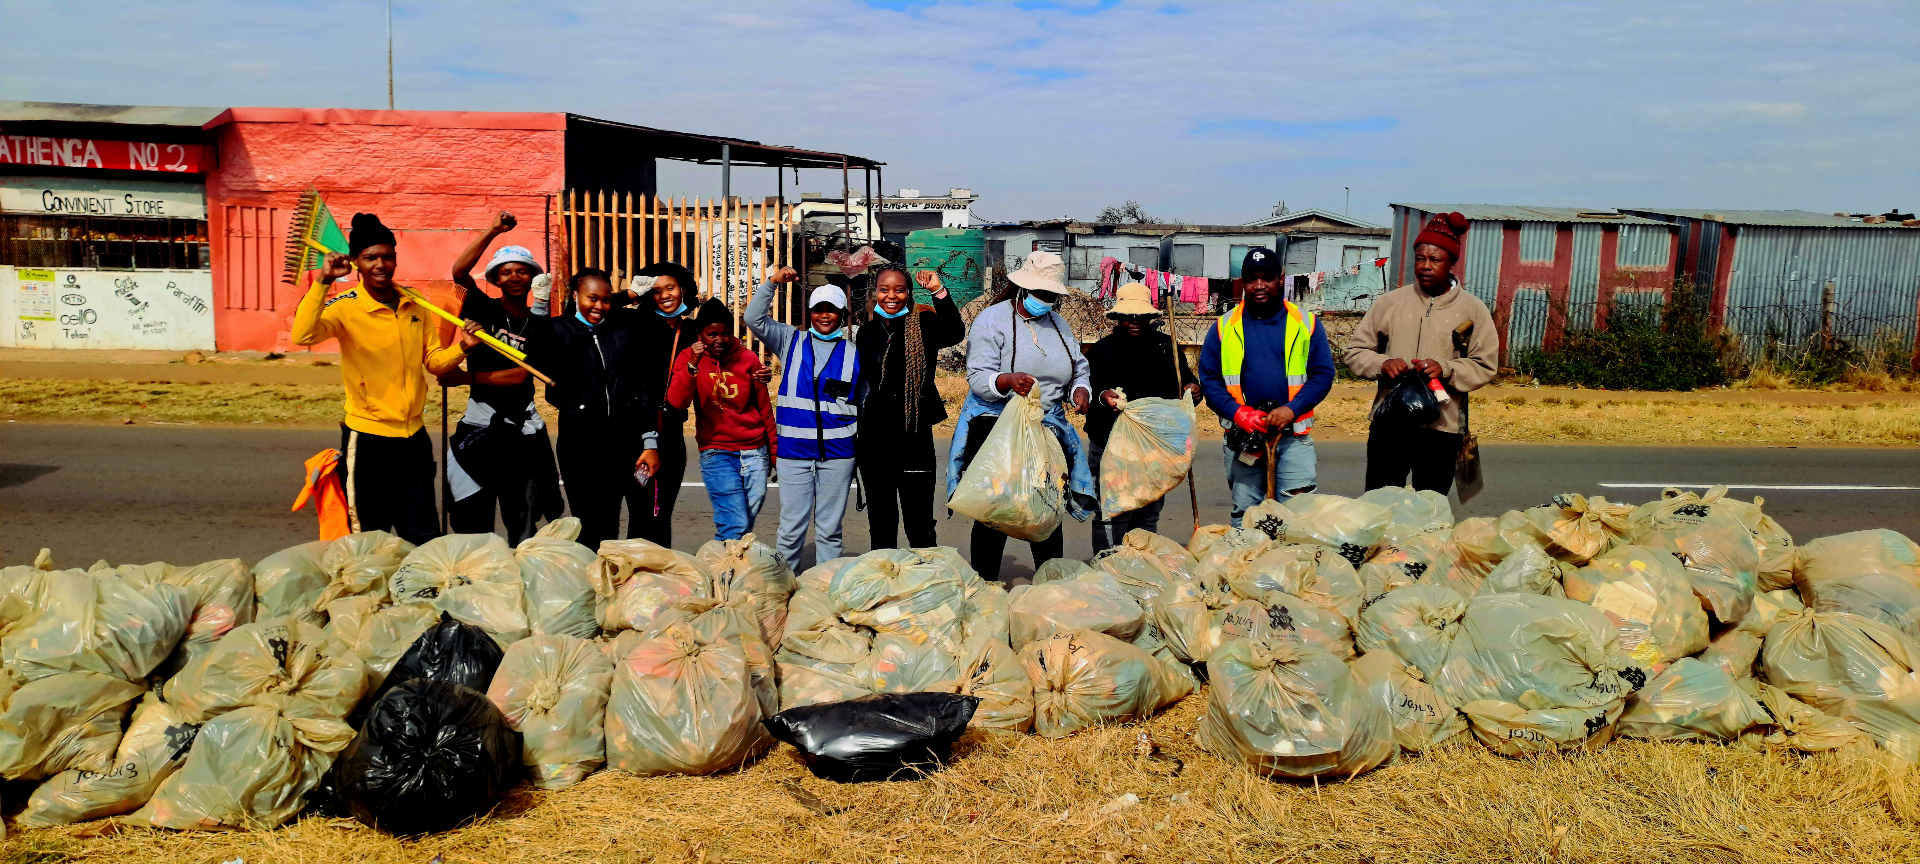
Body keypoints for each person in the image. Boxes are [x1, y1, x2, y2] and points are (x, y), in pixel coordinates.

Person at [292, 212, 477, 545]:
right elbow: (303, 334)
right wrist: (322, 282)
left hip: (414, 441)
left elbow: (434, 363)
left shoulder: (415, 305)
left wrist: (462, 347)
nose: (381, 263)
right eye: (370, 257)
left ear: (395, 258)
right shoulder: (344, 308)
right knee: (370, 539)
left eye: (387, 256)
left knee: (423, 535)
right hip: (368, 441)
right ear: (357, 263)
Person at [950, 250, 1098, 581]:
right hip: (998, 429)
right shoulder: (992, 320)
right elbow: (977, 378)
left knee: (1047, 506)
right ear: (1022, 289)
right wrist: (1007, 380)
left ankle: (1049, 582)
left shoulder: (1059, 325)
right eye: (1040, 294)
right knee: (996, 510)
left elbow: (1079, 367)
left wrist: (1081, 389)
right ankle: (987, 584)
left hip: (1047, 431)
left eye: (1050, 296)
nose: (1045, 301)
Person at [1343, 212, 1499, 493]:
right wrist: (1382, 364)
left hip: (1442, 427)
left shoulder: (1472, 310)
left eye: (1435, 260)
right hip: (1390, 426)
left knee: (1431, 510)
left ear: (1452, 262)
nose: (1425, 266)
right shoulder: (1390, 303)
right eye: (1420, 258)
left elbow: (1485, 364)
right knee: (1380, 506)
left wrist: (1447, 368)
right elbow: (1355, 352)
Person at [439, 211, 563, 544]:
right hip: (479, 427)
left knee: (522, 522)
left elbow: (520, 377)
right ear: (496, 278)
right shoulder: (483, 309)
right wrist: (493, 229)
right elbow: (458, 272)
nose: (514, 277)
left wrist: (466, 379)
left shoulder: (541, 325)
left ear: (532, 278)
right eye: (505, 272)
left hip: (522, 435)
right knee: (471, 520)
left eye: (521, 271)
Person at [521, 267, 660, 551]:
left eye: (606, 300)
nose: (599, 306)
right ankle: (591, 585)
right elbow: (533, 349)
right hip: (580, 444)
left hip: (624, 441)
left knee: (624, 520)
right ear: (575, 296)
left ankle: (621, 584)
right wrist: (539, 304)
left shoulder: (622, 331)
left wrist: (650, 441)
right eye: (592, 298)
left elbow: (643, 386)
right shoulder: (559, 330)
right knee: (590, 524)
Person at [1197, 247, 1336, 528]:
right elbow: (1210, 380)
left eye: (1267, 277)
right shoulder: (1224, 327)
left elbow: (1322, 374)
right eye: (1252, 279)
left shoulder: (1305, 323)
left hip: (1292, 436)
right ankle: (1247, 570)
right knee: (1247, 514)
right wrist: (1239, 414)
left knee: (1299, 515)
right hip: (1244, 436)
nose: (1259, 285)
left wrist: (1291, 409)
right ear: (1243, 283)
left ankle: (1292, 570)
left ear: (1281, 279)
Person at [746, 267, 861, 571]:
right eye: (818, 310)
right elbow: (753, 319)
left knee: (830, 530)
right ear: (809, 313)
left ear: (842, 314)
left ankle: (823, 592)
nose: (825, 316)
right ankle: (786, 589)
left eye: (832, 311)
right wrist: (772, 283)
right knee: (791, 529)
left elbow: (860, 400)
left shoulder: (852, 352)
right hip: (794, 453)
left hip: (838, 455)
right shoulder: (790, 341)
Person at [854, 265, 965, 550]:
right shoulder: (866, 334)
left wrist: (938, 291)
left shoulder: (924, 326)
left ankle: (926, 582)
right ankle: (884, 580)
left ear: (909, 293)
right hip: (875, 437)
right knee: (881, 521)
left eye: (899, 290)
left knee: (919, 522)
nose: (892, 296)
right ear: (875, 293)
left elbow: (954, 332)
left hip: (914, 435)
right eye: (884, 290)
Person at [1085, 282, 1198, 552]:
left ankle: (1142, 566)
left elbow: (1186, 381)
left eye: (1141, 317)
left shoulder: (1165, 347)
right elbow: (1089, 391)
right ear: (1117, 318)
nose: (1134, 322)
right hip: (1111, 443)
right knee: (1112, 513)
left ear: (1150, 317)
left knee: (1147, 511)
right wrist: (1104, 397)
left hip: (1154, 447)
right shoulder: (1102, 351)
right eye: (1128, 317)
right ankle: (1108, 570)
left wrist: (1193, 390)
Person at [666, 298, 774, 542]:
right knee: (734, 522)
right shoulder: (688, 357)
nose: (719, 340)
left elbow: (765, 409)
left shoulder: (748, 359)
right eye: (712, 334)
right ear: (700, 334)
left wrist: (774, 453)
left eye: (725, 333)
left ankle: (730, 571)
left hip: (755, 451)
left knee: (744, 522)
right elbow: (676, 401)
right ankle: (721, 574)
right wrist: (693, 365)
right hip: (716, 451)